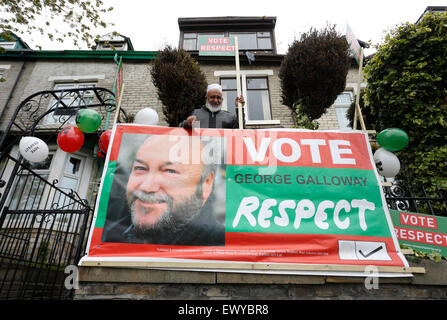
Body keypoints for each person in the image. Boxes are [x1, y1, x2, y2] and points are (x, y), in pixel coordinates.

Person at [101, 134, 225, 246]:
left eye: (170, 171)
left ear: (206, 184)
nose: (147, 187)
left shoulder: (219, 247)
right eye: (140, 168)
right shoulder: (109, 235)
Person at [181, 83, 245, 129]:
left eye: (218, 98)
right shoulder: (196, 114)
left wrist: (239, 108)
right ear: (206, 98)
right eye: (212, 97)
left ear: (222, 100)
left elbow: (240, 131)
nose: (215, 100)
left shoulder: (229, 117)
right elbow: (181, 128)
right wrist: (187, 124)